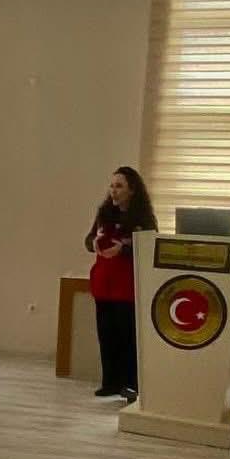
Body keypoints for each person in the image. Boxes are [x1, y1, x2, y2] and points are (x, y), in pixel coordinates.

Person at [84, 166, 158, 399]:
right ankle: (110, 383)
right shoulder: (104, 213)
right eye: (112, 186)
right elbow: (88, 240)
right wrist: (93, 242)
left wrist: (124, 249)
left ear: (132, 190)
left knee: (127, 338)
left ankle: (131, 385)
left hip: (127, 287)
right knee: (106, 335)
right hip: (103, 283)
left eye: (119, 186)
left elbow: (150, 247)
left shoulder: (143, 219)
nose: (113, 191)